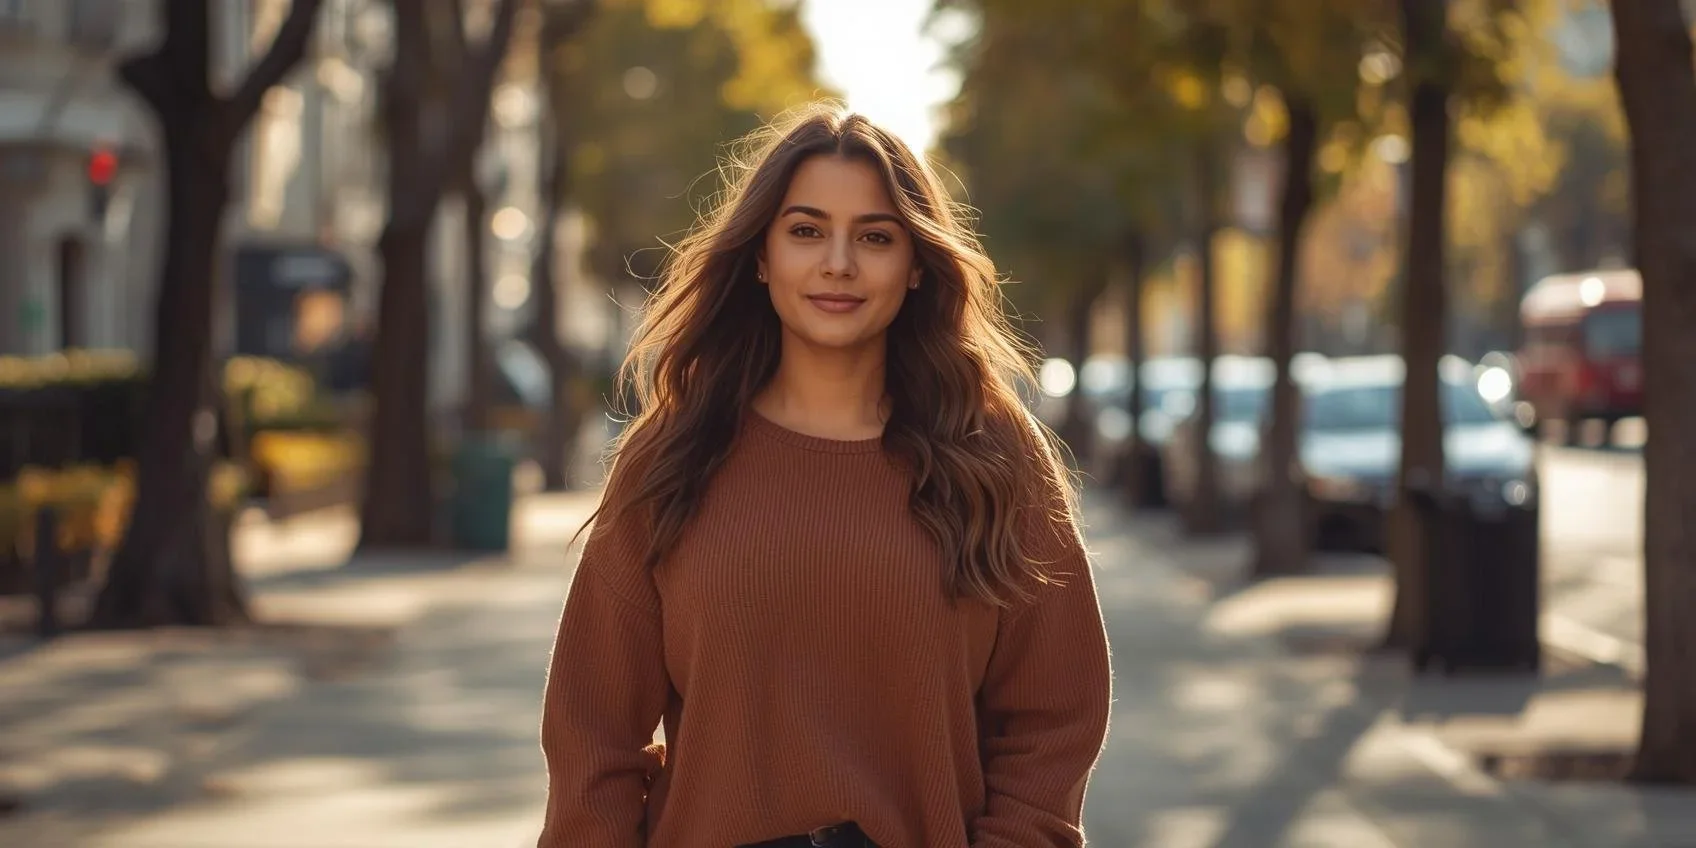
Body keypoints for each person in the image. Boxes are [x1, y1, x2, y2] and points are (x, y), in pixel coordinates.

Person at [537, 103, 1112, 848]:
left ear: (914, 266)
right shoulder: (675, 454)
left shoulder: (995, 454)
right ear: (761, 256)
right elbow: (592, 736)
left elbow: (1055, 718)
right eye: (806, 231)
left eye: (874, 237)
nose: (838, 263)